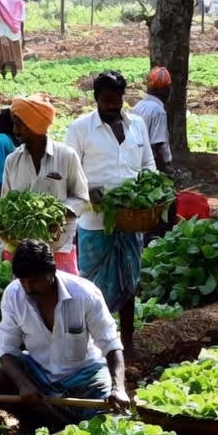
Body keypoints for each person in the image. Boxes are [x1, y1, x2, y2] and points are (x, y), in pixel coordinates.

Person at [0, 240, 131, 430]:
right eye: (22, 280)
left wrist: (119, 389)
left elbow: (111, 343)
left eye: (33, 281)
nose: (27, 287)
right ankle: (38, 420)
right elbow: (6, 348)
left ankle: (54, 420)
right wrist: (24, 384)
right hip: (38, 371)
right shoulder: (14, 294)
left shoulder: (84, 294)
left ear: (52, 271)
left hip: (85, 377)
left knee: (111, 421)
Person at [66, 70, 157, 357]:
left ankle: (126, 341)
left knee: (129, 280)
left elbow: (148, 166)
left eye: (116, 100)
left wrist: (150, 194)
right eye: (106, 100)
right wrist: (89, 190)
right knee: (93, 285)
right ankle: (94, 345)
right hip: (94, 222)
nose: (112, 106)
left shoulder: (137, 126)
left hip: (131, 220)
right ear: (96, 99)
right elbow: (70, 173)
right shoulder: (80, 128)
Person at [0, 93, 90, 274]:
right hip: (22, 250)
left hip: (57, 248)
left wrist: (58, 213)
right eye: (14, 124)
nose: (15, 130)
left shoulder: (66, 156)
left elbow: (82, 198)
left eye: (19, 124)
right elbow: (5, 202)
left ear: (35, 125)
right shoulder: (12, 160)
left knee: (62, 297)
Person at [131, 67, 173, 173]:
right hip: (151, 166)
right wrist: (163, 171)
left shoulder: (137, 107)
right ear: (166, 90)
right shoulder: (159, 112)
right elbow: (157, 146)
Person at [0, 0, 25, 80]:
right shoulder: (19, 3)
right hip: (15, 34)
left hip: (2, 34)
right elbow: (21, 21)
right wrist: (23, 36)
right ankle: (14, 78)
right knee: (15, 56)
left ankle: (4, 78)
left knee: (3, 56)